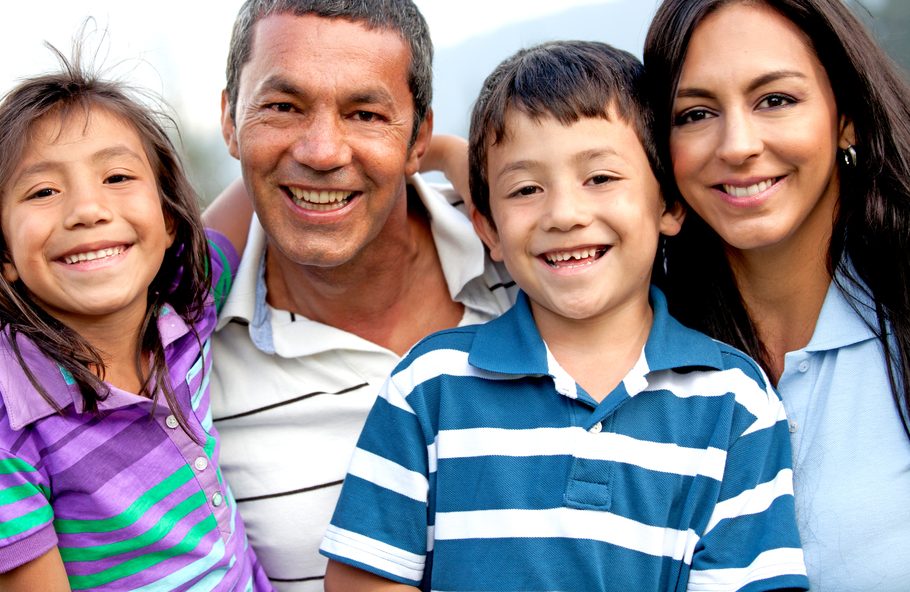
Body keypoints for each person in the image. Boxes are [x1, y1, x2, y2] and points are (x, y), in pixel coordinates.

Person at [319, 41, 809, 591]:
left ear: (670, 204)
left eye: (600, 178)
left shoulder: (734, 402)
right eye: (526, 189)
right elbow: (362, 581)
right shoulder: (429, 386)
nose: (564, 214)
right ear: (488, 230)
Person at [205, 0, 516, 591]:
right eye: (283, 106)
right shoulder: (176, 362)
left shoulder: (529, 249)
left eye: (366, 114)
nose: (321, 151)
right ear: (230, 121)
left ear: (419, 138)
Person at [0, 44, 273, 592]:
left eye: (116, 177)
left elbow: (264, 181)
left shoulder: (184, 298)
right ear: (2, 255)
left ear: (166, 222)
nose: (88, 209)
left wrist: (446, 154)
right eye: (43, 191)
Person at [643, 0, 910, 591]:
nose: (737, 144)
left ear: (845, 116)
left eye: (775, 99)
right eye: (695, 113)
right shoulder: (631, 340)